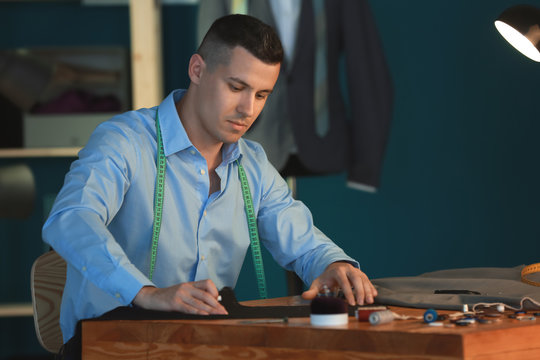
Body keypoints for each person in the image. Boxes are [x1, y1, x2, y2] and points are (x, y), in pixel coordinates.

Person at [42, 14, 377, 348]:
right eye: (236, 87)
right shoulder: (124, 141)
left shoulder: (253, 164)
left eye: (262, 95)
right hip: (111, 345)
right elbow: (70, 219)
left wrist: (333, 263)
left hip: (202, 346)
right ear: (197, 70)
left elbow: (302, 240)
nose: (248, 109)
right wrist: (146, 293)